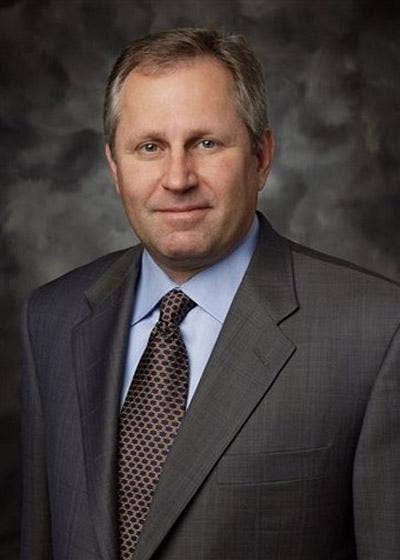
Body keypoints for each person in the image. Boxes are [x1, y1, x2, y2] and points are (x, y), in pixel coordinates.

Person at [20, 27, 400, 560]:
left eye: (206, 143)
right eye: (149, 147)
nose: (177, 178)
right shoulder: (51, 317)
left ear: (261, 157)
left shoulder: (377, 331)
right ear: (114, 166)